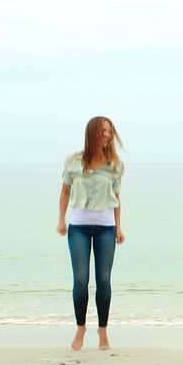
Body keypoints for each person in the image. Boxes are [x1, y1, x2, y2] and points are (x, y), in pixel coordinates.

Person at [56, 116, 127, 351]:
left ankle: (103, 330)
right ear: (93, 132)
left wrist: (118, 227)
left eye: (110, 132)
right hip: (79, 227)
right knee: (80, 280)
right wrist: (61, 220)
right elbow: (65, 192)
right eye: (103, 131)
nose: (107, 135)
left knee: (104, 280)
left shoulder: (115, 165)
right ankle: (81, 328)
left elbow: (117, 198)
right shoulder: (74, 161)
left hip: (106, 227)